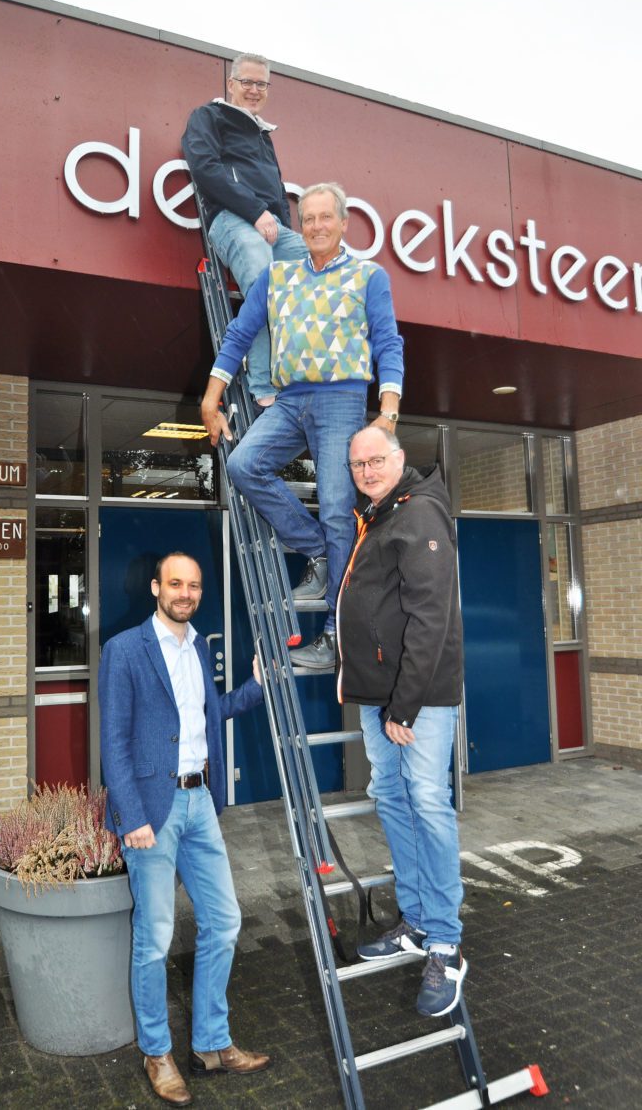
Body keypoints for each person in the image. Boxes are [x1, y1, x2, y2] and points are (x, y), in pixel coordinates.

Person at [200, 182, 404, 670]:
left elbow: (388, 343)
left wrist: (388, 410)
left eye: (324, 218)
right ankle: (315, 551)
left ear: (343, 222)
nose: (314, 227)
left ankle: (336, 636)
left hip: (341, 399)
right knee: (244, 464)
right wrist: (211, 397)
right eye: (307, 218)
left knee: (338, 509)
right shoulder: (278, 277)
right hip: (290, 401)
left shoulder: (368, 275)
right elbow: (240, 332)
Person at [98, 552, 269, 1107]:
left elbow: (203, 715)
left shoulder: (199, 646)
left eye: (193, 585)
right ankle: (157, 1053)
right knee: (155, 939)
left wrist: (256, 687)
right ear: (155, 587)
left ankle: (213, 1043)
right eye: (175, 583)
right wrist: (132, 818)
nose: (185, 593)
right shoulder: (124, 650)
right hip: (153, 808)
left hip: (200, 804)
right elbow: (115, 742)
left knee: (224, 921)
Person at [336, 425, 467, 1018]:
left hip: (417, 699)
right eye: (357, 463)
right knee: (389, 794)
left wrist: (404, 705)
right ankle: (415, 920)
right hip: (378, 694)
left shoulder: (419, 516)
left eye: (375, 460)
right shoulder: (381, 515)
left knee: (427, 802)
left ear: (399, 459)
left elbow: (430, 618)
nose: (366, 470)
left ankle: (444, 941)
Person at [182, 52, 307, 407]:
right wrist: (255, 213)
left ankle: (303, 369)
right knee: (263, 283)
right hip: (232, 219)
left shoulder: (263, 135)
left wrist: (281, 224)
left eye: (261, 84)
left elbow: (277, 192)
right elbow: (205, 168)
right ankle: (263, 383)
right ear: (231, 83)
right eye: (248, 82)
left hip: (272, 226)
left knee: (321, 274)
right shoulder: (208, 116)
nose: (254, 90)